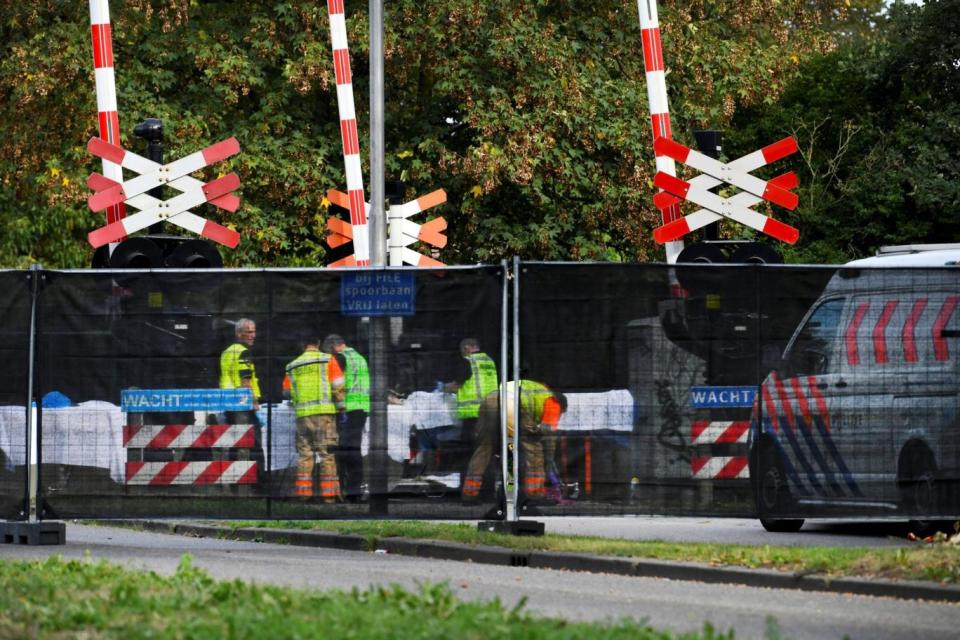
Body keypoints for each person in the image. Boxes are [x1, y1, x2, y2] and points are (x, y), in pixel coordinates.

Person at [461, 380, 567, 508]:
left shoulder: (539, 390)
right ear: (562, 406)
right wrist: (548, 462)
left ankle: (469, 495)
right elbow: (549, 437)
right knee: (534, 449)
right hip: (514, 404)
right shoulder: (553, 402)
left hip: (490, 400)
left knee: (484, 448)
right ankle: (535, 495)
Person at [284, 336, 346, 501]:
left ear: (302, 344)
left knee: (305, 455)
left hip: (303, 416)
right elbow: (338, 386)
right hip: (324, 415)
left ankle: (304, 496)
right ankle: (329, 496)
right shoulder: (327, 360)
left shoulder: (292, 366)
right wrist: (341, 408)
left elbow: (286, 392)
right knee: (327, 454)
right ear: (318, 344)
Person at [444, 338, 498, 487]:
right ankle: (487, 491)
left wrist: (443, 388)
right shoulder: (489, 361)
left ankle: (469, 492)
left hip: (473, 415)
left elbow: (457, 385)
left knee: (469, 454)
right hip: (491, 412)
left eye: (463, 351)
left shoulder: (469, 361)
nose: (462, 354)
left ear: (467, 348)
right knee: (487, 452)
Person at [324, 334, 368, 502]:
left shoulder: (340, 359)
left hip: (347, 408)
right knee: (354, 449)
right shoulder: (359, 357)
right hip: (361, 407)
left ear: (334, 347)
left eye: (329, 352)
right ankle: (355, 490)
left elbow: (337, 384)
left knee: (343, 450)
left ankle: (346, 489)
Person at [219, 318, 264, 481]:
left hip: (229, 403)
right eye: (249, 332)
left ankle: (233, 482)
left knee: (234, 443)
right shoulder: (243, 352)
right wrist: (254, 402)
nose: (254, 335)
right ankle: (258, 483)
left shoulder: (227, 352)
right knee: (254, 444)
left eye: (254, 331)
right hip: (243, 405)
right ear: (239, 333)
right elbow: (246, 380)